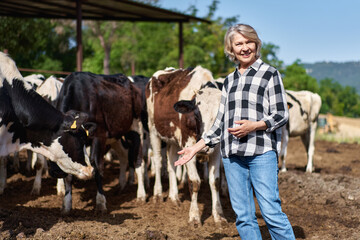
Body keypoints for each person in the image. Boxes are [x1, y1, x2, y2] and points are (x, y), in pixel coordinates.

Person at [175, 23, 295, 240]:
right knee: (244, 216)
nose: (245, 47)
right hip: (232, 157)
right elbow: (220, 124)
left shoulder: (269, 74)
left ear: (256, 44)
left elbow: (281, 114)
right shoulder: (228, 81)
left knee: (271, 212)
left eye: (249, 41)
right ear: (231, 49)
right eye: (239, 43)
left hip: (261, 153)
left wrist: (255, 125)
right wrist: (195, 148)